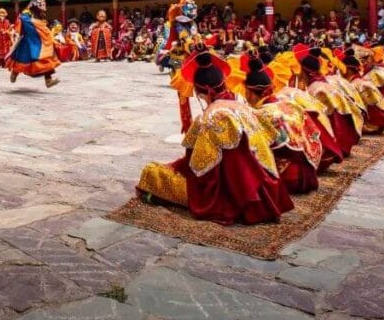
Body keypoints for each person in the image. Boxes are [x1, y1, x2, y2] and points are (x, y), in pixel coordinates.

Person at [137, 45, 293, 225]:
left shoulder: (210, 117)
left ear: (199, 90)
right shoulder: (246, 109)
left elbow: (199, 169)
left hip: (233, 196)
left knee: (152, 173)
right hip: (269, 191)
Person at [238, 50, 323, 194]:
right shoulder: (290, 104)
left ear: (251, 92)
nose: (246, 97)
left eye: (246, 92)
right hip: (309, 171)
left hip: (288, 177)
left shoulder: (261, 114)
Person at [5, 0, 61, 88]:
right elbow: (22, 20)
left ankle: (48, 80)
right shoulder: (27, 13)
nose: (42, 5)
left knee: (45, 58)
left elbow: (42, 26)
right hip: (27, 42)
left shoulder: (41, 14)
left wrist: (43, 28)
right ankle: (14, 73)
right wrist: (35, 24)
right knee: (21, 59)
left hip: (39, 41)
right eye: (40, 2)